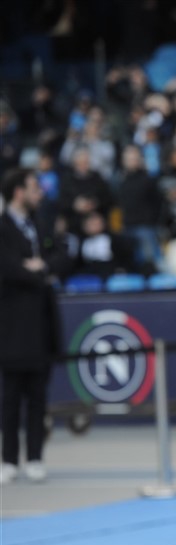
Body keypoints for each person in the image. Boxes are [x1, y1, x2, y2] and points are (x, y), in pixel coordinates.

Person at [0, 169, 69, 484]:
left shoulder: (42, 223)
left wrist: (42, 266)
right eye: (33, 188)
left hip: (42, 322)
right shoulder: (2, 227)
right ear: (18, 192)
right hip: (12, 324)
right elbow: (9, 268)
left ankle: (36, 457)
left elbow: (61, 255)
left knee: (38, 396)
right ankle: (8, 459)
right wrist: (39, 272)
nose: (39, 193)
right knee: (11, 396)